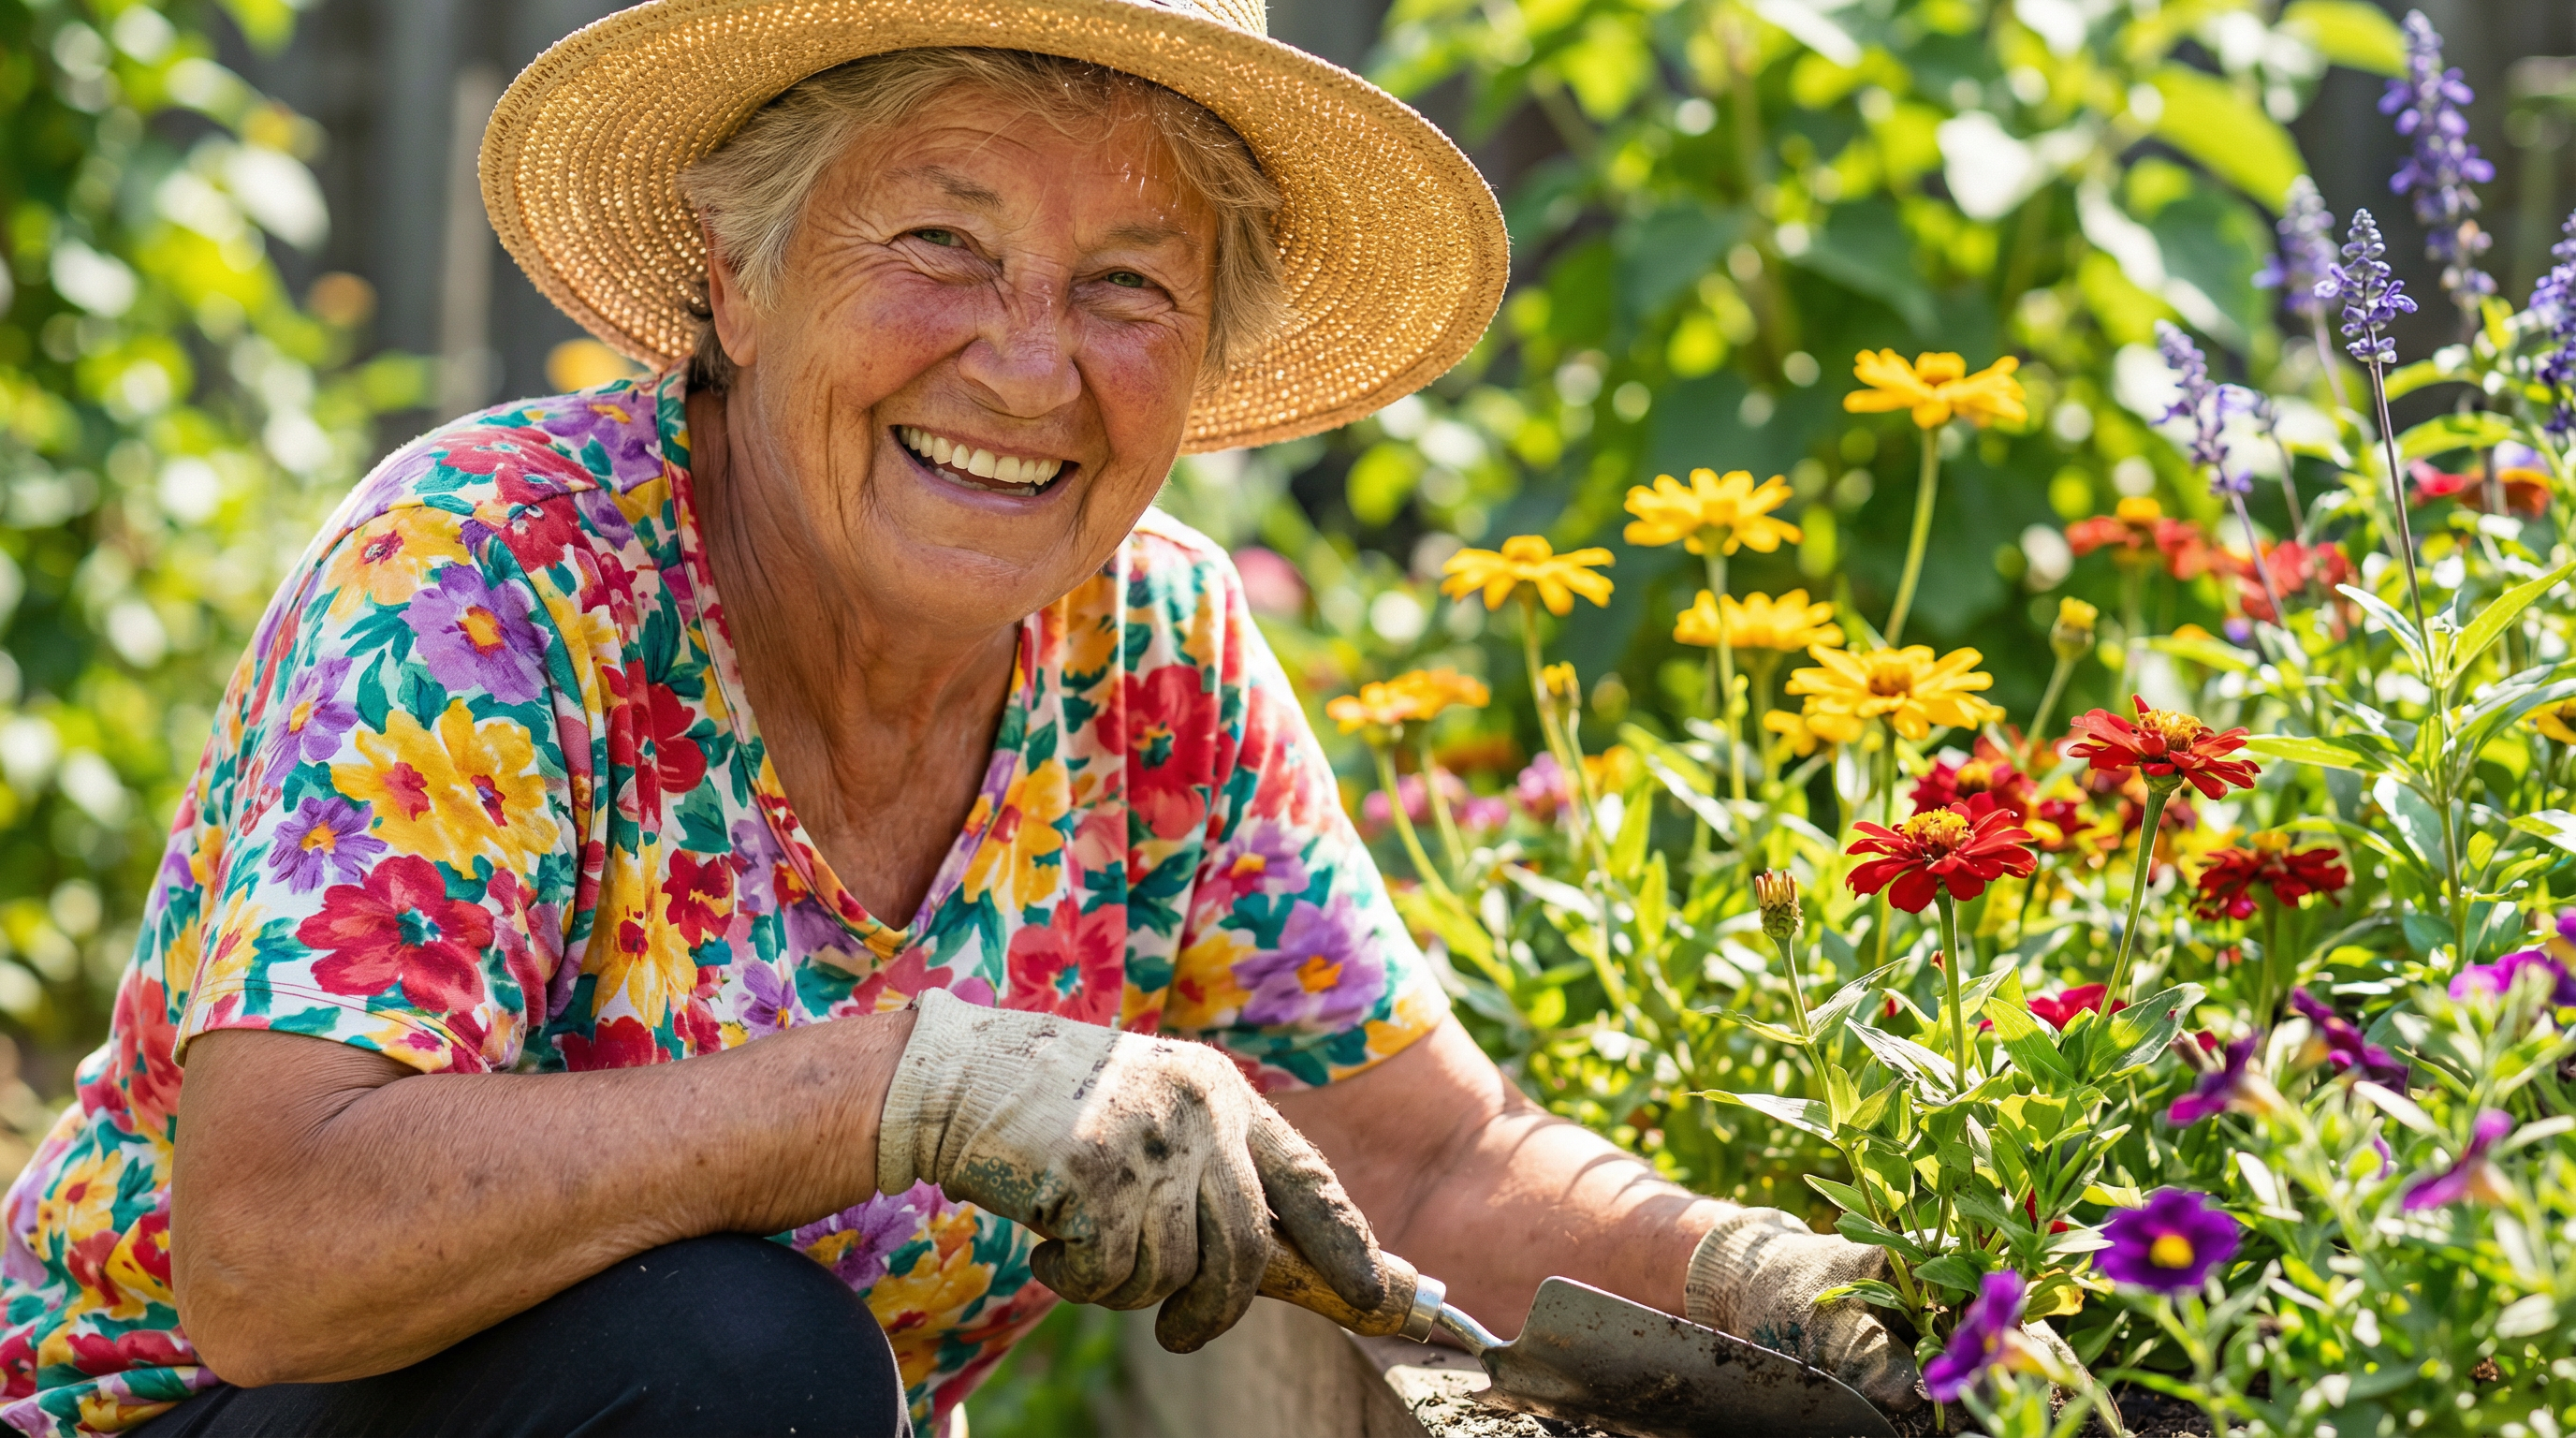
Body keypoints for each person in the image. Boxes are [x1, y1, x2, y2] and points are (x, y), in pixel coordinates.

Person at [0, 3, 1924, 1434]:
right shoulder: (494, 574)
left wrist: (1782, 1292)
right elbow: (266, 1249)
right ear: (734, 280)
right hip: (192, 1417)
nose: (1026, 365)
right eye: (936, 243)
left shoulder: (1146, 649)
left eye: (1125, 284)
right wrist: (894, 1086)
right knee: (733, 1358)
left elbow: (1419, 1165)